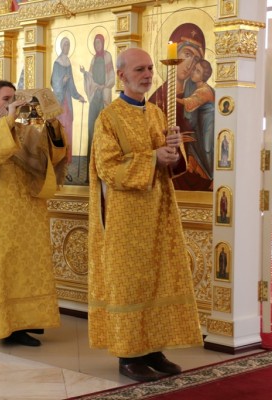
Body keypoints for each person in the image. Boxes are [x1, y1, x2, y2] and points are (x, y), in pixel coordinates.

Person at [87, 48, 202, 382]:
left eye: (151, 68)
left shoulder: (157, 113)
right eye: (140, 69)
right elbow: (107, 167)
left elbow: (173, 164)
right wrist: (153, 157)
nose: (148, 74)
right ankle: (129, 355)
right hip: (126, 215)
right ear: (122, 75)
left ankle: (153, 350)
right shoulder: (108, 118)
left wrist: (174, 152)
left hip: (159, 211)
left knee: (157, 278)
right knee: (131, 282)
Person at [0, 82, 66, 347]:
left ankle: (21, 324)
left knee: (25, 268)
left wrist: (52, 125)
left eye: (16, 99)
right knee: (0, 266)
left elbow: (53, 157)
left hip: (29, 209)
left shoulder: (28, 134)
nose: (13, 104)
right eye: (7, 99)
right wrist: (10, 120)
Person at [149, 23, 214, 191]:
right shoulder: (156, 100)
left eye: (196, 59)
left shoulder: (198, 95)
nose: (190, 64)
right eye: (187, 54)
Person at [80, 34, 115, 180]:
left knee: (103, 131)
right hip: (95, 96)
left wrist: (104, 86)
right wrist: (85, 74)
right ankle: (90, 171)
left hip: (104, 96)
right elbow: (91, 77)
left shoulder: (107, 56)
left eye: (99, 42)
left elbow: (112, 76)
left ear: (103, 43)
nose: (97, 45)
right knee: (91, 131)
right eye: (95, 43)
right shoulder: (94, 59)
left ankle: (103, 170)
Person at [176, 59, 215, 180]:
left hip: (208, 123)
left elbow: (190, 102)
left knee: (207, 149)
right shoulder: (194, 86)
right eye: (194, 69)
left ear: (204, 76)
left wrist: (171, 97)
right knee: (194, 144)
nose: (193, 72)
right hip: (200, 122)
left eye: (198, 71)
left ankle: (212, 176)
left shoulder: (204, 90)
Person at [51, 36, 86, 164]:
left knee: (68, 126)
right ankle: (59, 157)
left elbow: (71, 83)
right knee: (61, 127)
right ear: (61, 47)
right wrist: (62, 81)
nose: (67, 48)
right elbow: (54, 82)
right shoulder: (57, 63)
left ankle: (67, 157)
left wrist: (78, 96)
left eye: (68, 45)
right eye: (65, 45)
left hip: (67, 99)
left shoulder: (68, 62)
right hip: (59, 100)